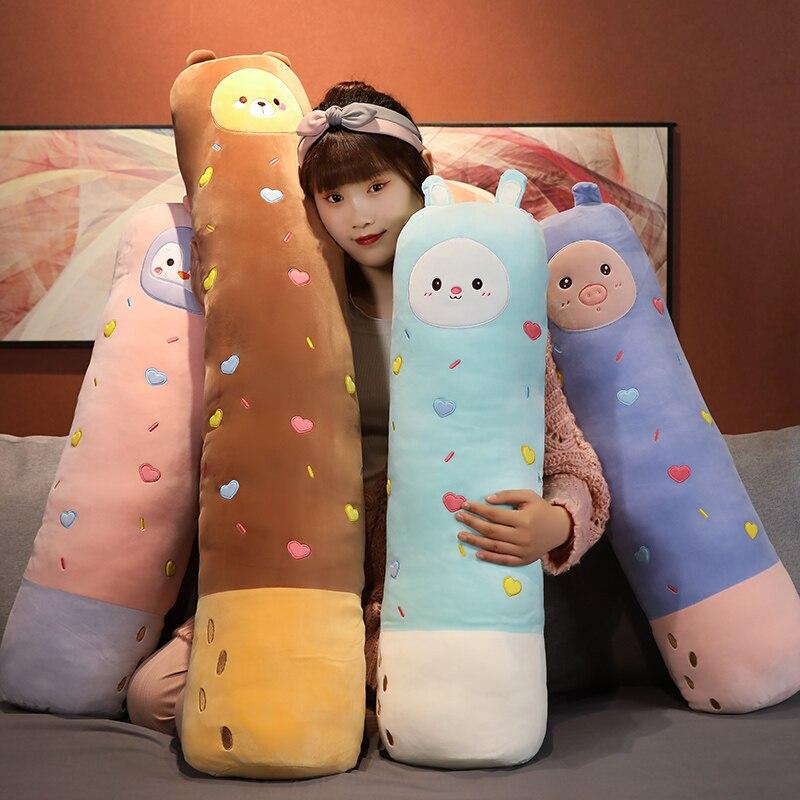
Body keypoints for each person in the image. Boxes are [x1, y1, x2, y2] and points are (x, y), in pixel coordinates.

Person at [127, 81, 611, 740]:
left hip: (433, 572)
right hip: (306, 560)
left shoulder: (486, 301)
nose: (358, 215)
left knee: (434, 712)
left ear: (422, 177)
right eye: (333, 197)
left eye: (377, 186)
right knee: (156, 697)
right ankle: (337, 716)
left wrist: (555, 523)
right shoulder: (309, 306)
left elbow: (571, 462)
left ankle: (347, 715)